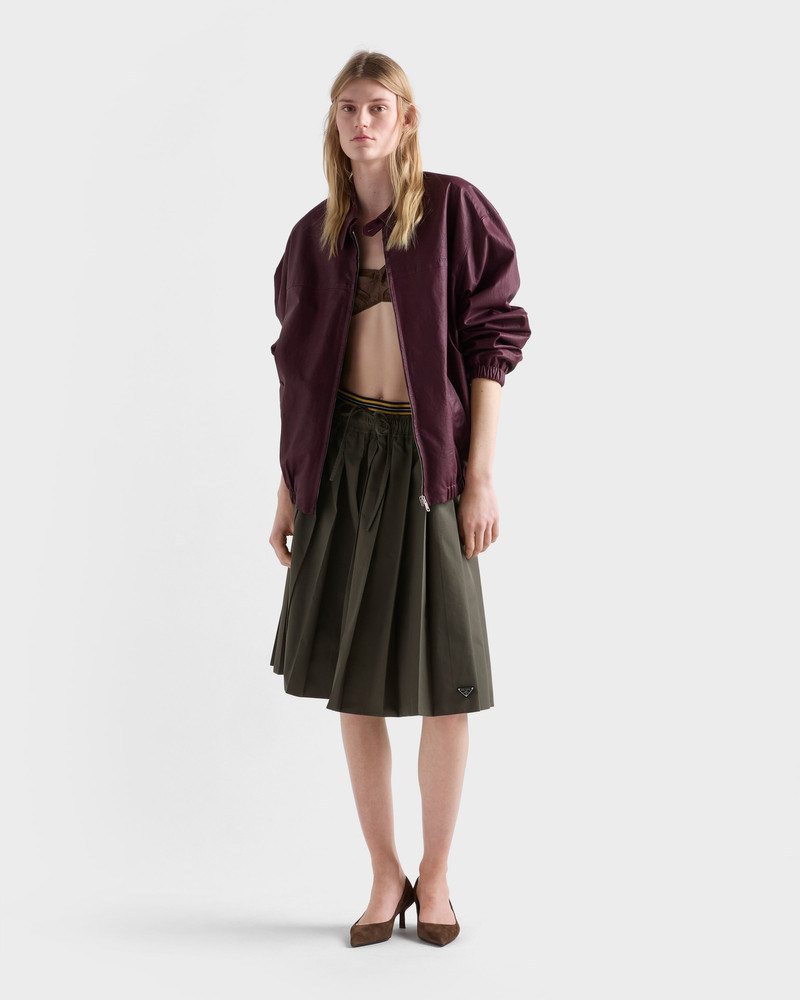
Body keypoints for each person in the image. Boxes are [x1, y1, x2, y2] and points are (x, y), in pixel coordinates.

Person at [268, 50, 530, 947]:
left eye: (378, 107)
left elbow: (493, 341)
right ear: (334, 124)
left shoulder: (454, 211)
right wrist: (289, 490)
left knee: (448, 683)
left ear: (406, 119)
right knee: (359, 687)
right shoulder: (313, 239)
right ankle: (385, 874)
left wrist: (479, 475)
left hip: (431, 467)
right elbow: (301, 378)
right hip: (340, 464)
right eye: (348, 109)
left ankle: (439, 873)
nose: (362, 122)